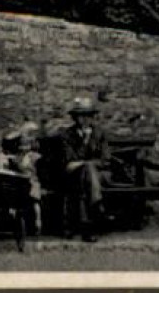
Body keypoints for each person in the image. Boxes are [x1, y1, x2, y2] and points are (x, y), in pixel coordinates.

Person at [63, 97, 108, 241]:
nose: (85, 119)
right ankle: (97, 205)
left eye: (88, 115)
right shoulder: (67, 135)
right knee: (84, 176)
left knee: (86, 175)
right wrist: (85, 141)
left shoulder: (100, 133)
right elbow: (69, 161)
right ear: (75, 117)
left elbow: (105, 159)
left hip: (99, 175)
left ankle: (85, 228)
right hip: (74, 176)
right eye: (81, 116)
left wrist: (86, 164)